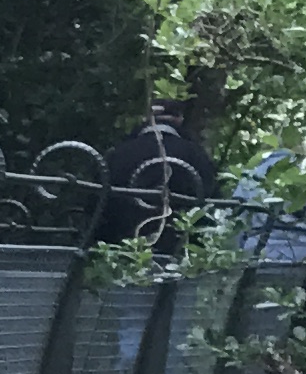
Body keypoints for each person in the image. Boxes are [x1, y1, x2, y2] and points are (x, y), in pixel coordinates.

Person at [92, 97, 217, 255]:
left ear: (147, 118)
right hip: (181, 251)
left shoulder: (119, 154)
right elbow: (212, 203)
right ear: (180, 119)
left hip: (123, 247)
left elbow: (97, 205)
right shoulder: (197, 155)